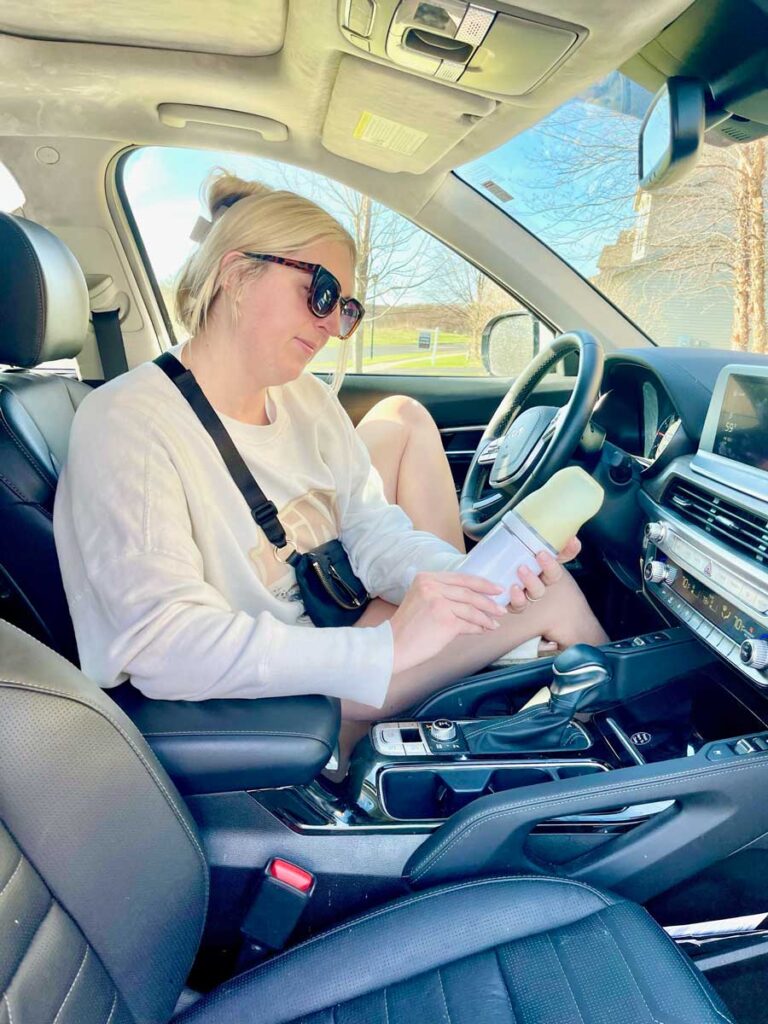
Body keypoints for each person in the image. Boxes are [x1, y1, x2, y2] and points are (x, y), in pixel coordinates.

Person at [53, 173, 607, 747]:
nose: (331, 325)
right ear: (237, 274)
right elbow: (160, 643)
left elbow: (372, 531)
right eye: (320, 293)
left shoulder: (305, 399)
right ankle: (637, 781)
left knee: (541, 589)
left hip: (336, 639)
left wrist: (474, 579)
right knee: (560, 597)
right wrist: (386, 648)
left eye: (346, 309)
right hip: (286, 703)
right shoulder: (128, 423)